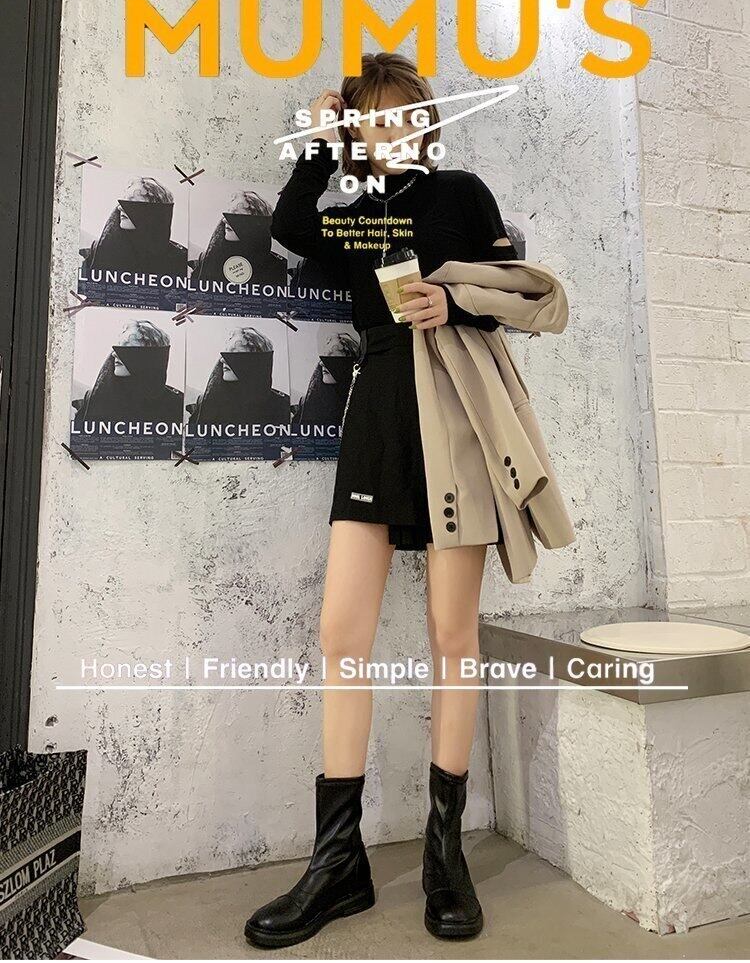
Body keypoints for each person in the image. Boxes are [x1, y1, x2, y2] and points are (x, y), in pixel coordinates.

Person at [245, 51, 520, 949]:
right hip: (377, 409)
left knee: (452, 633)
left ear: (427, 121)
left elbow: (513, 290)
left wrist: (455, 302)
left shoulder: (462, 194)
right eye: (372, 116)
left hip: (454, 409)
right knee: (341, 632)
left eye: (403, 112)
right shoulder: (360, 214)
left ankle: (445, 854)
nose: (389, 127)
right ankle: (339, 863)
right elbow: (292, 224)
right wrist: (323, 140)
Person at [72, 319, 182, 429]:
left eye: (127, 347)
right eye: (119, 346)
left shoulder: (176, 404)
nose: (114, 354)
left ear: (151, 356)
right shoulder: (94, 400)